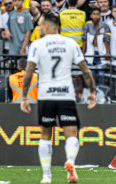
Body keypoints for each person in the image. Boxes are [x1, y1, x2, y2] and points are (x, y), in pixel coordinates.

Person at [20, 13, 96, 183]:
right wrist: (92, 91)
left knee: (46, 135)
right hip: (66, 95)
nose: (38, 28)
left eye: (39, 25)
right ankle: (70, 160)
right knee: (71, 134)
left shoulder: (37, 44)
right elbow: (85, 70)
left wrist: (24, 96)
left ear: (47, 26)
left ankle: (46, 176)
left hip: (45, 95)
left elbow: (29, 72)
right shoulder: (71, 43)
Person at [82, 8, 110, 101]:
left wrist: (107, 52)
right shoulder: (87, 25)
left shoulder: (104, 25)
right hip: (90, 54)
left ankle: (101, 95)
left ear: (100, 16)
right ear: (91, 15)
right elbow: (84, 40)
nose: (96, 16)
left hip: (100, 54)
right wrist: (83, 53)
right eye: (94, 14)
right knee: (90, 75)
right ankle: (90, 94)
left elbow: (106, 40)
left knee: (101, 74)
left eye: (97, 14)